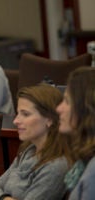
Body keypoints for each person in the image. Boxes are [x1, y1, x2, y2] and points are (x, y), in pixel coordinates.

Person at [0, 83, 71, 200]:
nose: (16, 121)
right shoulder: (29, 151)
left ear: (49, 119)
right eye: (18, 113)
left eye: (25, 114)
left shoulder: (55, 166)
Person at [56, 66, 95, 200]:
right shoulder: (84, 161)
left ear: (86, 109)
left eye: (67, 101)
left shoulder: (93, 172)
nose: (58, 108)